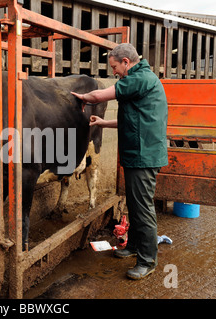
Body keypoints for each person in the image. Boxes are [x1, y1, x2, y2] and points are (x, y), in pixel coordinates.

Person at [71, 43, 168, 280]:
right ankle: (134, 246)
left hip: (143, 156)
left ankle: (147, 260)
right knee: (135, 206)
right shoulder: (141, 79)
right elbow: (133, 119)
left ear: (126, 62)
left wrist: (80, 96)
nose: (113, 72)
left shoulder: (140, 78)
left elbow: (98, 95)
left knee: (143, 209)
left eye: (114, 67)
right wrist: (103, 124)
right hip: (138, 153)